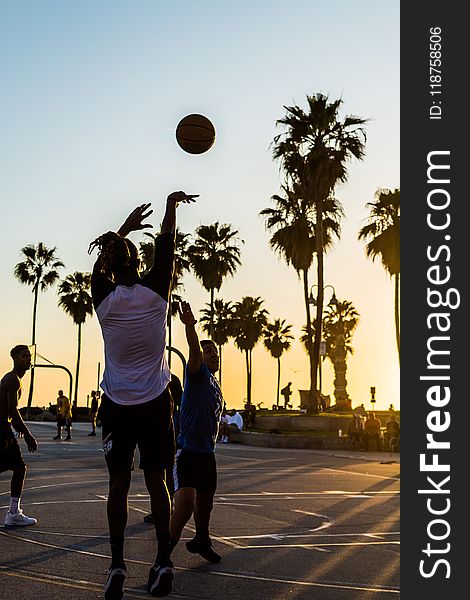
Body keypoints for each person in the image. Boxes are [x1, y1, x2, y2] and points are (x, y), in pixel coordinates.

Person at [89, 192, 196, 599]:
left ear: (111, 266)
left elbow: (103, 257)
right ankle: (163, 561)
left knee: (118, 486)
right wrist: (170, 205)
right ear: (138, 262)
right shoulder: (157, 290)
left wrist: (125, 227)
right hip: (155, 403)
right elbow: (167, 243)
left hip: (117, 406)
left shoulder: (103, 297)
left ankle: (117, 566)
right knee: (157, 484)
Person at [169, 301, 224, 564]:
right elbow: (193, 348)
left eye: (216, 352)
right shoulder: (197, 373)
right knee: (185, 507)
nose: (214, 355)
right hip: (188, 451)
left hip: (208, 454)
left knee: (205, 505)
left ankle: (202, 539)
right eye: (209, 351)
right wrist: (191, 326)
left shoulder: (215, 384)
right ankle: (163, 555)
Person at [0, 345, 38, 526]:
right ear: (15, 358)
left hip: (4, 426)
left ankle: (13, 513)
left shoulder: (12, 379)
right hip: (1, 427)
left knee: (18, 467)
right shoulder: (13, 379)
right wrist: (27, 434)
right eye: (24, 356)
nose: (28, 359)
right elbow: (12, 409)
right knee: (19, 468)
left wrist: (16, 428)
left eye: (29, 356)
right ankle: (13, 514)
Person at [143, 372, 184, 524]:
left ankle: (164, 509)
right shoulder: (169, 379)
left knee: (159, 478)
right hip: (168, 436)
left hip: (166, 438)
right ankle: (166, 508)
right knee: (164, 476)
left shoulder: (161, 379)